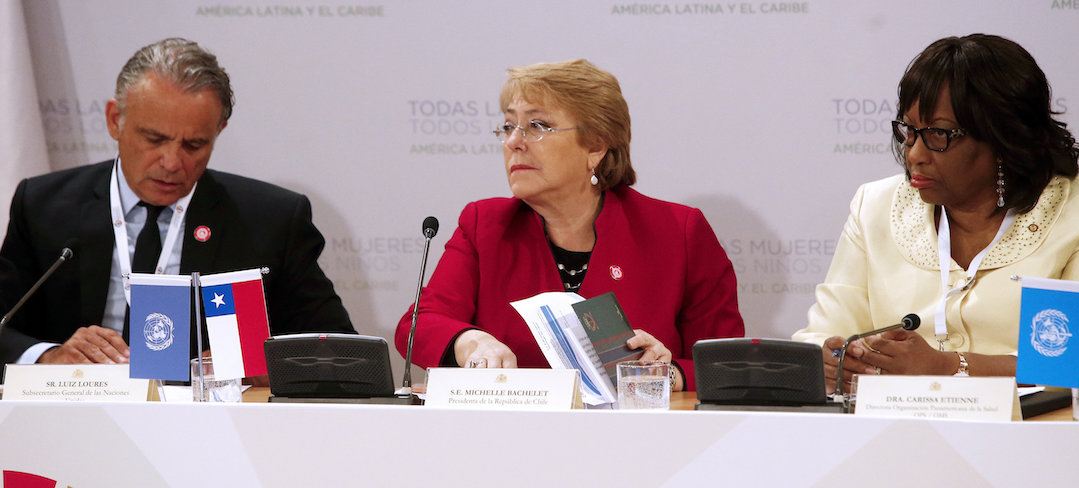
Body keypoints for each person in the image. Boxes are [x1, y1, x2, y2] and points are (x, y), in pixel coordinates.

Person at [793, 34, 1079, 393]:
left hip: (1036, 438)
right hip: (894, 436)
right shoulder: (874, 206)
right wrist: (831, 360)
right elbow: (820, 335)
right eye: (910, 131)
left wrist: (948, 367)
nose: (914, 155)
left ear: (1002, 138)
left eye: (939, 134)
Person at [0, 38, 353, 369]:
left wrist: (263, 363)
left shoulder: (270, 220)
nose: (172, 162)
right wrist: (48, 357)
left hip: (215, 426)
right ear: (114, 120)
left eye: (194, 145)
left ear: (219, 131)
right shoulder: (44, 206)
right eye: (154, 139)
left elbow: (340, 350)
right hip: (76, 419)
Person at [394, 59, 743, 391]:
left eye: (538, 126)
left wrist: (666, 373)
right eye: (508, 125)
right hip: (507, 440)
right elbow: (418, 324)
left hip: (639, 442)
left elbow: (727, 363)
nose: (513, 141)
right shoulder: (485, 225)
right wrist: (469, 341)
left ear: (595, 146)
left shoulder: (678, 232)